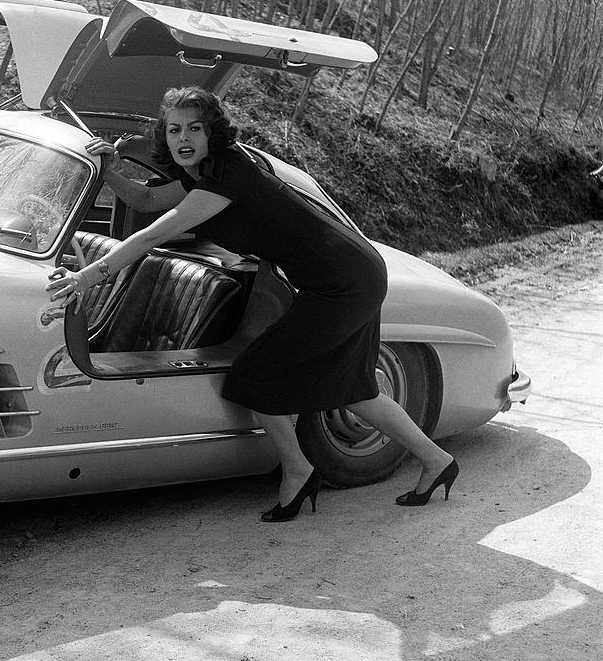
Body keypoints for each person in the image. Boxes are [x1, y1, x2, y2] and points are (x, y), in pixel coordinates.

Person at [46, 86, 458, 522]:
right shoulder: (204, 173)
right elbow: (146, 200)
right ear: (163, 136)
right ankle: (436, 460)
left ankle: (298, 470)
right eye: (173, 129)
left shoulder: (227, 175)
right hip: (347, 272)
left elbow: (151, 235)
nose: (183, 138)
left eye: (195, 128)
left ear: (213, 134)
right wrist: (109, 168)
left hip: (342, 281)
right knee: (354, 387)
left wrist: (85, 277)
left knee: (256, 374)